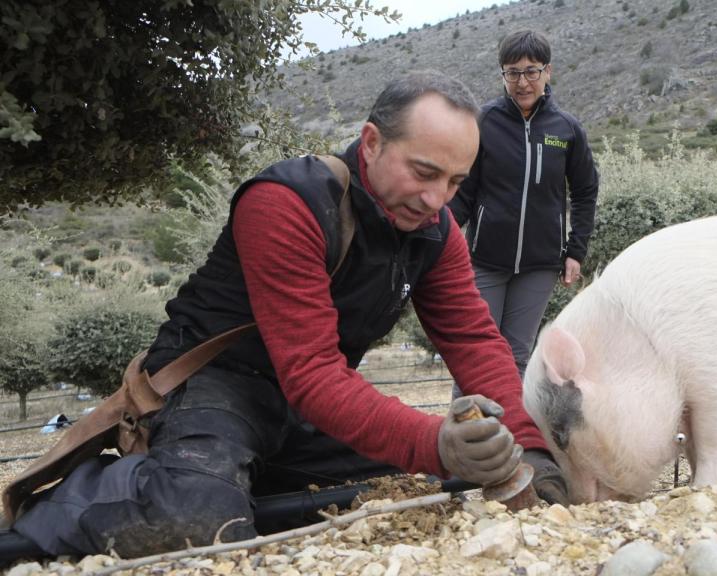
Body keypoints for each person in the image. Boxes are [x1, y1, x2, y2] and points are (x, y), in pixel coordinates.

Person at [11, 71, 568, 558]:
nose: (436, 199)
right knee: (202, 522)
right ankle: (87, 493)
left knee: (421, 480)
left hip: (301, 410)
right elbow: (312, 373)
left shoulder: (435, 233)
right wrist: (435, 440)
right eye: (423, 172)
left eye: (454, 182)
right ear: (371, 143)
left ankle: (235, 476)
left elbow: (476, 343)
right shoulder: (287, 202)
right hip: (210, 388)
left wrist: (531, 452)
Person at [448, 30, 599, 381]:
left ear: (548, 72)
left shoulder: (567, 129)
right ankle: (464, 433)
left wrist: (575, 250)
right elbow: (463, 191)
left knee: (515, 356)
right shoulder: (484, 122)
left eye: (531, 71)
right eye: (512, 72)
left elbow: (586, 190)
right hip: (485, 260)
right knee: (475, 354)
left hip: (540, 265)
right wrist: (443, 238)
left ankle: (507, 435)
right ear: (502, 74)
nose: (522, 81)